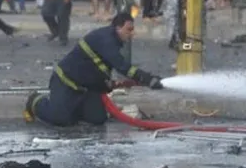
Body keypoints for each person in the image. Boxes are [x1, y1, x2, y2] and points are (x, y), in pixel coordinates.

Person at [24, 13, 164, 127]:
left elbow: (97, 71)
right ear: (117, 27)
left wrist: (107, 85)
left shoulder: (112, 41)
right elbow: (122, 66)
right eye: (129, 29)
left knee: (97, 119)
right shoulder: (106, 40)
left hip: (86, 88)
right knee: (61, 119)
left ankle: (73, 111)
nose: (132, 34)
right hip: (65, 82)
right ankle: (35, 101)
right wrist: (148, 79)